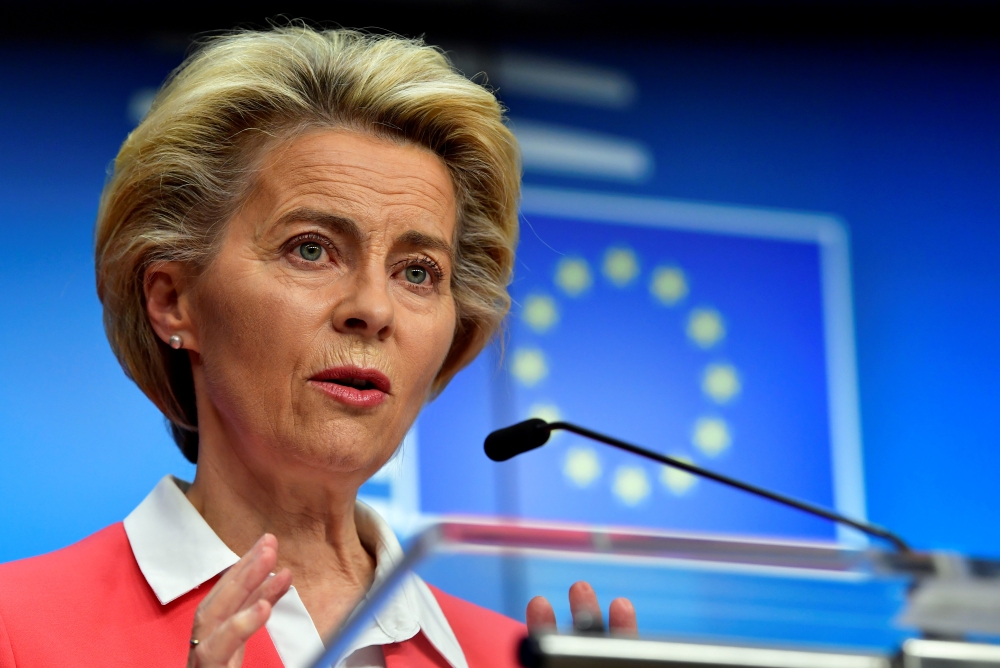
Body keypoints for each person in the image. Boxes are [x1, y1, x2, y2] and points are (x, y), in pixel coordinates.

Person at [0, 27, 636, 668]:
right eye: (310, 249)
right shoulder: (17, 627)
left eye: (417, 271)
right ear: (173, 301)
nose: (373, 309)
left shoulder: (513, 657)